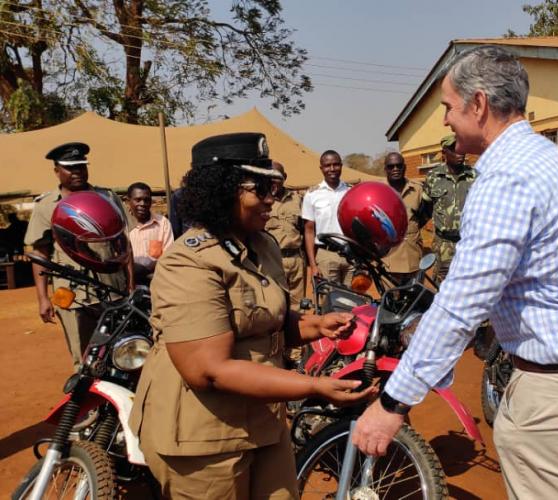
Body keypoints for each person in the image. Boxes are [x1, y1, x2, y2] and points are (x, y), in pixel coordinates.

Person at [352, 46, 558, 500]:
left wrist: (392, 402)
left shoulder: (504, 179)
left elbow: (462, 305)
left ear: (478, 104)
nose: (444, 120)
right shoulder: (557, 161)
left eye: (447, 107)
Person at [129, 133, 376, 500]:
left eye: (273, 187)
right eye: (259, 187)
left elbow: (267, 320)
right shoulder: (189, 260)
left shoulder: (262, 245)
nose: (270, 199)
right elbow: (208, 368)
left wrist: (315, 326)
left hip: (264, 420)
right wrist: (313, 388)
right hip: (204, 437)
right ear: (223, 189)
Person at [24, 142, 133, 368]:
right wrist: (43, 298)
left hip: (113, 290)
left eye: (81, 167)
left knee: (121, 351)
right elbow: (40, 253)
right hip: (74, 296)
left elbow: (124, 244)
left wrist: (130, 285)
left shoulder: (107, 198)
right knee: (84, 359)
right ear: (57, 171)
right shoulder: (47, 206)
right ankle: (89, 402)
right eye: (71, 168)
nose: (77, 172)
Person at [420, 134, 476, 283]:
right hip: (443, 245)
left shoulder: (474, 176)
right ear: (444, 153)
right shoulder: (433, 177)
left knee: (470, 284)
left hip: (469, 243)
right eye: (454, 149)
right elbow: (425, 208)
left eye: (461, 148)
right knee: (443, 286)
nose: (460, 152)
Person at [302, 150, 354, 286]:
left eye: (336, 165)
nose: (332, 169)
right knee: (328, 302)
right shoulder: (312, 194)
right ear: (321, 168)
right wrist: (313, 265)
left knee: (355, 302)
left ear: (341, 166)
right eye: (327, 165)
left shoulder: (352, 191)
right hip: (326, 256)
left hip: (352, 256)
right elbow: (309, 231)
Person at [380, 152, 427, 282]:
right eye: (391, 166)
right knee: (391, 300)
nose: (395, 169)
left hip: (413, 255)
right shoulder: (379, 191)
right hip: (389, 259)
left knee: (416, 298)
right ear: (385, 169)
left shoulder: (417, 190)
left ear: (404, 167)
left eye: (399, 166)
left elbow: (423, 217)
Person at [266, 162, 306, 310]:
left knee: (298, 306)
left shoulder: (298, 200)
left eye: (277, 176)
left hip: (296, 260)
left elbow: (306, 229)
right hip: (272, 259)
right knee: (275, 303)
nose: (273, 180)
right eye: (270, 176)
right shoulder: (263, 201)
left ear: (284, 177)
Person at [126, 182, 174, 285]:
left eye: (146, 200)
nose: (143, 204)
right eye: (138, 200)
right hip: (127, 280)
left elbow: (168, 256)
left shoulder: (162, 223)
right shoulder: (122, 224)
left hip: (156, 279)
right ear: (128, 201)